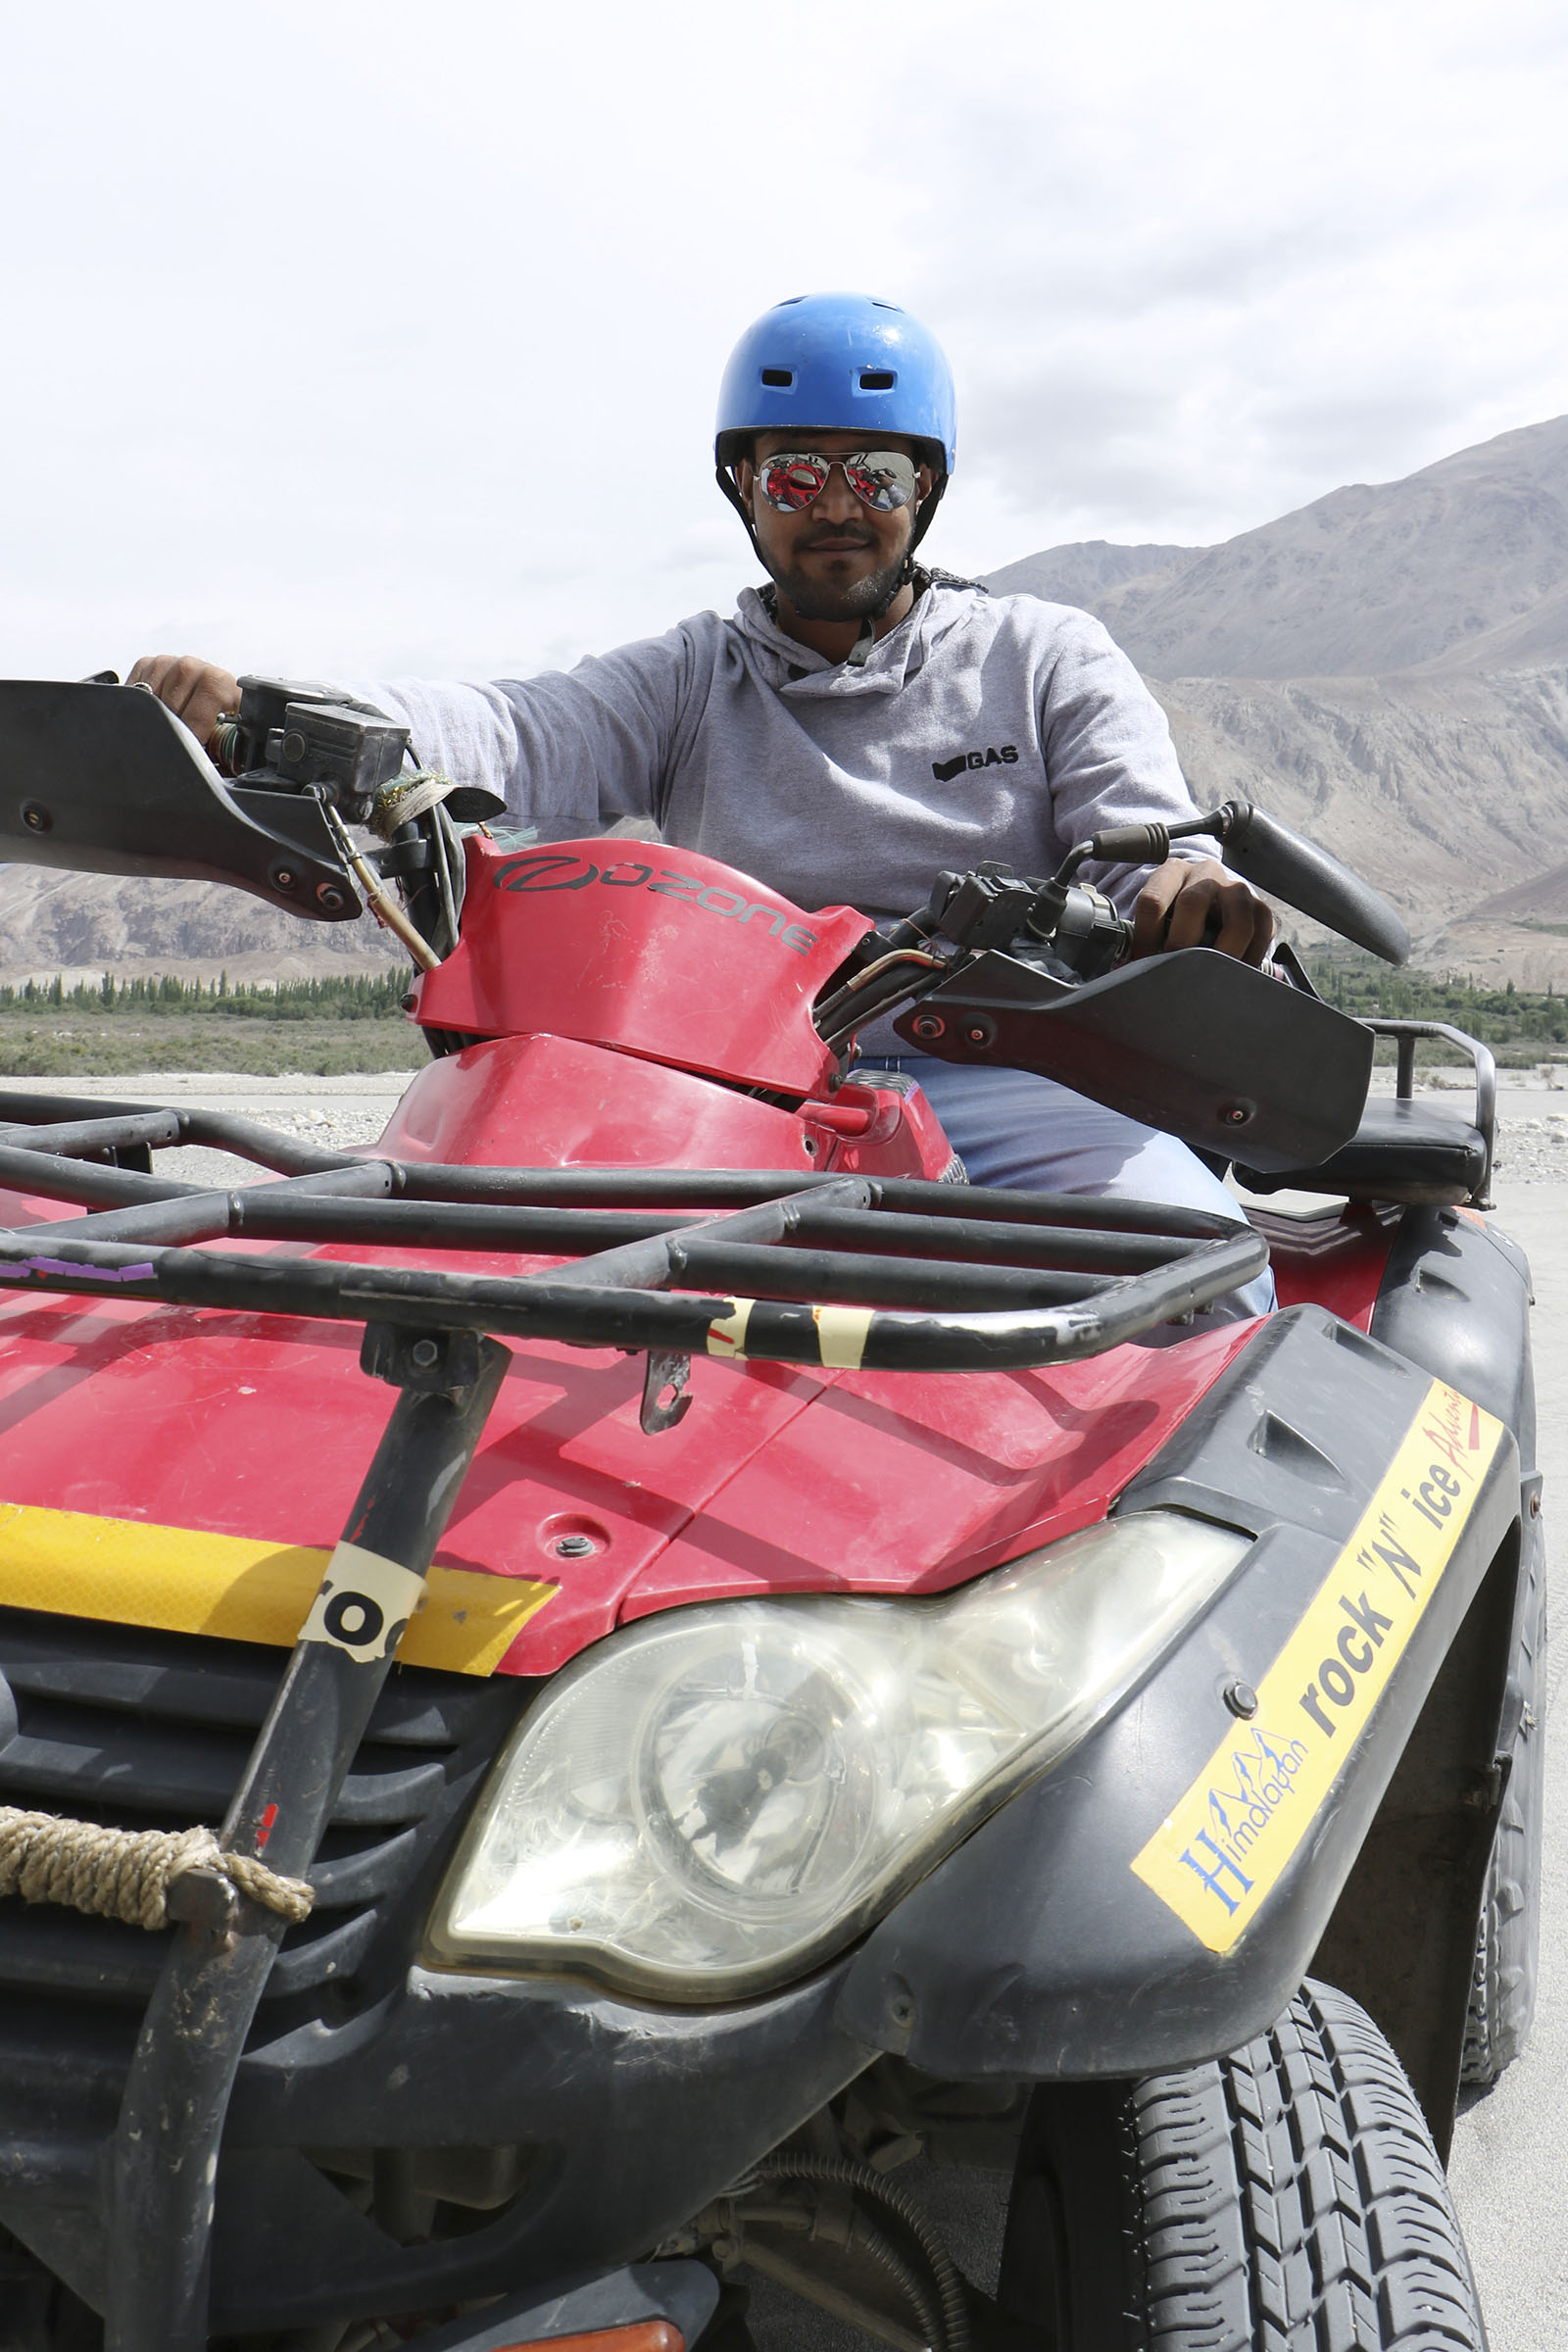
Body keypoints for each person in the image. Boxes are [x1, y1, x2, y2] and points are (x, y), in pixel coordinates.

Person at [132, 291, 1274, 1312]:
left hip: (1000, 1073)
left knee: (1198, 1271)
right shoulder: (693, 676)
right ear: (741, 487)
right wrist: (261, 713)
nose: (836, 509)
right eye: (793, 476)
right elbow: (517, 728)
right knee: (483, 1286)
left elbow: (1144, 847)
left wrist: (1185, 890)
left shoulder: (1043, 655)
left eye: (873, 476)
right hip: (731, 1089)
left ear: (924, 488)